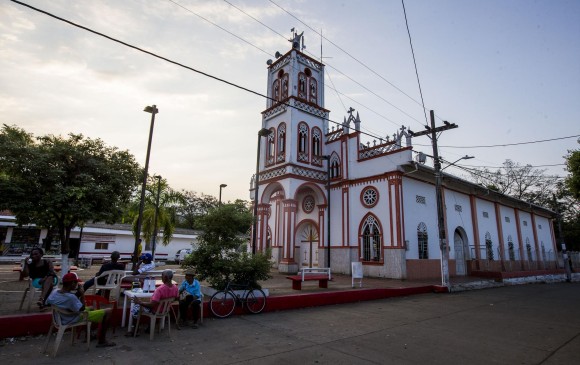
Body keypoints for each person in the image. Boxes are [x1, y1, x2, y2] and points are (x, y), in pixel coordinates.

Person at [46, 272, 116, 348]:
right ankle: (102, 341)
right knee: (108, 311)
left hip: (59, 317)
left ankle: (89, 335)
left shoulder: (55, 291)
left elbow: (53, 302)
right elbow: (82, 309)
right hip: (71, 318)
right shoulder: (70, 297)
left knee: (91, 308)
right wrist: (82, 294)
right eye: (76, 282)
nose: (77, 284)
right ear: (72, 283)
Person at [129, 269, 178, 335]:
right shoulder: (175, 288)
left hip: (155, 310)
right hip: (165, 310)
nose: (161, 277)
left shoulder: (160, 289)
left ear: (165, 277)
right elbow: (176, 298)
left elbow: (152, 305)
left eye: (162, 276)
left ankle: (135, 330)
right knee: (147, 304)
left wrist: (140, 302)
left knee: (135, 307)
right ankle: (149, 328)